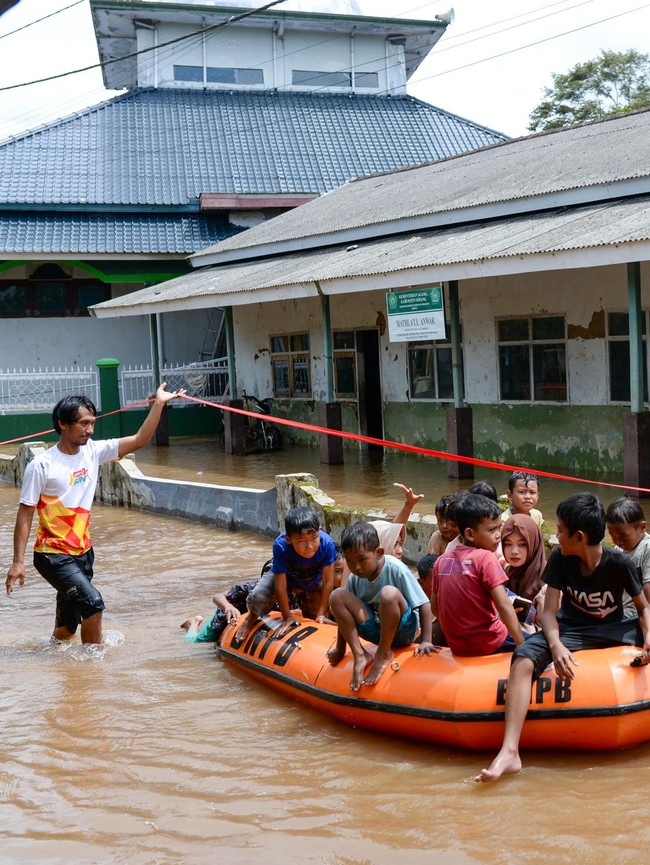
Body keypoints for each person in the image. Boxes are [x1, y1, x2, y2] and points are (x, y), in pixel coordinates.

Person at [476, 493, 650, 783]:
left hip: (612, 630)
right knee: (522, 658)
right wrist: (554, 646)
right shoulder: (560, 559)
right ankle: (509, 752)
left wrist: (648, 637)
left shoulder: (619, 564)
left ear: (579, 537)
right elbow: (549, 613)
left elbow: (643, 608)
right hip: (570, 630)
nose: (556, 536)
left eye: (559, 530)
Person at [6, 384, 185, 645]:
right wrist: (18, 562)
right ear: (63, 424)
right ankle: (93, 667)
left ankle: (55, 660)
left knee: (68, 627)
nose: (90, 429)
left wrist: (158, 404)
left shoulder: (93, 452)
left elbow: (140, 440)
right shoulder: (42, 465)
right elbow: (25, 514)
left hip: (83, 552)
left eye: (92, 423)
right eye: (83, 423)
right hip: (52, 555)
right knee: (94, 605)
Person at [327, 521, 435, 691]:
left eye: (362, 559)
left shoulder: (395, 568)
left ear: (378, 553)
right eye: (350, 561)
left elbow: (423, 603)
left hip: (402, 631)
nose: (356, 567)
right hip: (375, 630)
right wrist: (340, 649)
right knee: (336, 596)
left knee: (388, 593)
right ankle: (360, 655)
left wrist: (426, 641)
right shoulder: (356, 578)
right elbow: (344, 614)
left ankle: (384, 653)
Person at [431, 493, 524, 657]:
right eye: (492, 530)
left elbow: (435, 608)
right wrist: (523, 646)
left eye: (499, 528)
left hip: (458, 646)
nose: (498, 535)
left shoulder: (441, 561)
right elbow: (504, 606)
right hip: (491, 641)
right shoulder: (485, 558)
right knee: (541, 643)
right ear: (470, 534)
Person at [239, 506, 336, 639]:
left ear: (319, 531)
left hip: (312, 578)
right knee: (259, 596)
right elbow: (280, 586)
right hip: (287, 577)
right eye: (302, 541)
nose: (310, 546)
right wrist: (287, 617)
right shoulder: (281, 546)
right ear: (289, 539)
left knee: (317, 614)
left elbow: (328, 581)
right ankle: (251, 617)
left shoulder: (327, 544)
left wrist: (321, 614)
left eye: (314, 538)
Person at [605, 497, 650, 617]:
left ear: (642, 527)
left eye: (623, 536)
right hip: (619, 608)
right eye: (612, 536)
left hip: (636, 611)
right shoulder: (618, 550)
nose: (618, 541)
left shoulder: (647, 549)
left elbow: (648, 591)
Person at [501, 513, 547, 625]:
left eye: (522, 545)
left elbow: (547, 630)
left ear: (534, 544)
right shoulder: (506, 571)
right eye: (508, 544)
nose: (514, 551)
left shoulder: (547, 583)